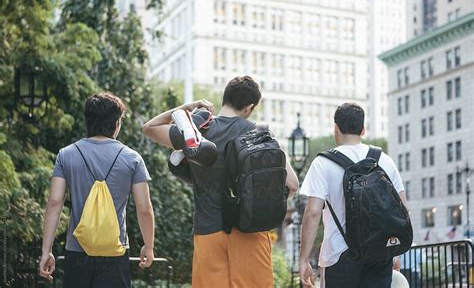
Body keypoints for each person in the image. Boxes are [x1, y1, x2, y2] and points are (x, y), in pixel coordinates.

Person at [143, 76, 299, 287]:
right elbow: (292, 184)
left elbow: (150, 127)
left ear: (225, 98)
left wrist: (188, 107)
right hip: (251, 231)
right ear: (250, 107)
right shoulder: (261, 134)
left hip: (209, 230)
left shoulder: (199, 130)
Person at [39, 92, 155, 288]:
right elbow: (144, 208)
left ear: (88, 121)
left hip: (77, 251)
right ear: (117, 123)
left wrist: (46, 251)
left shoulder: (66, 155)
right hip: (115, 251)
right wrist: (149, 246)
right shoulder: (132, 158)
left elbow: (54, 203)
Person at [299, 103, 408, 288]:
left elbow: (313, 212)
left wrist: (303, 260)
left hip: (339, 255)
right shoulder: (384, 160)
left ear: (336, 128)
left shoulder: (323, 163)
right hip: (379, 253)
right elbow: (402, 210)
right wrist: (395, 251)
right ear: (363, 130)